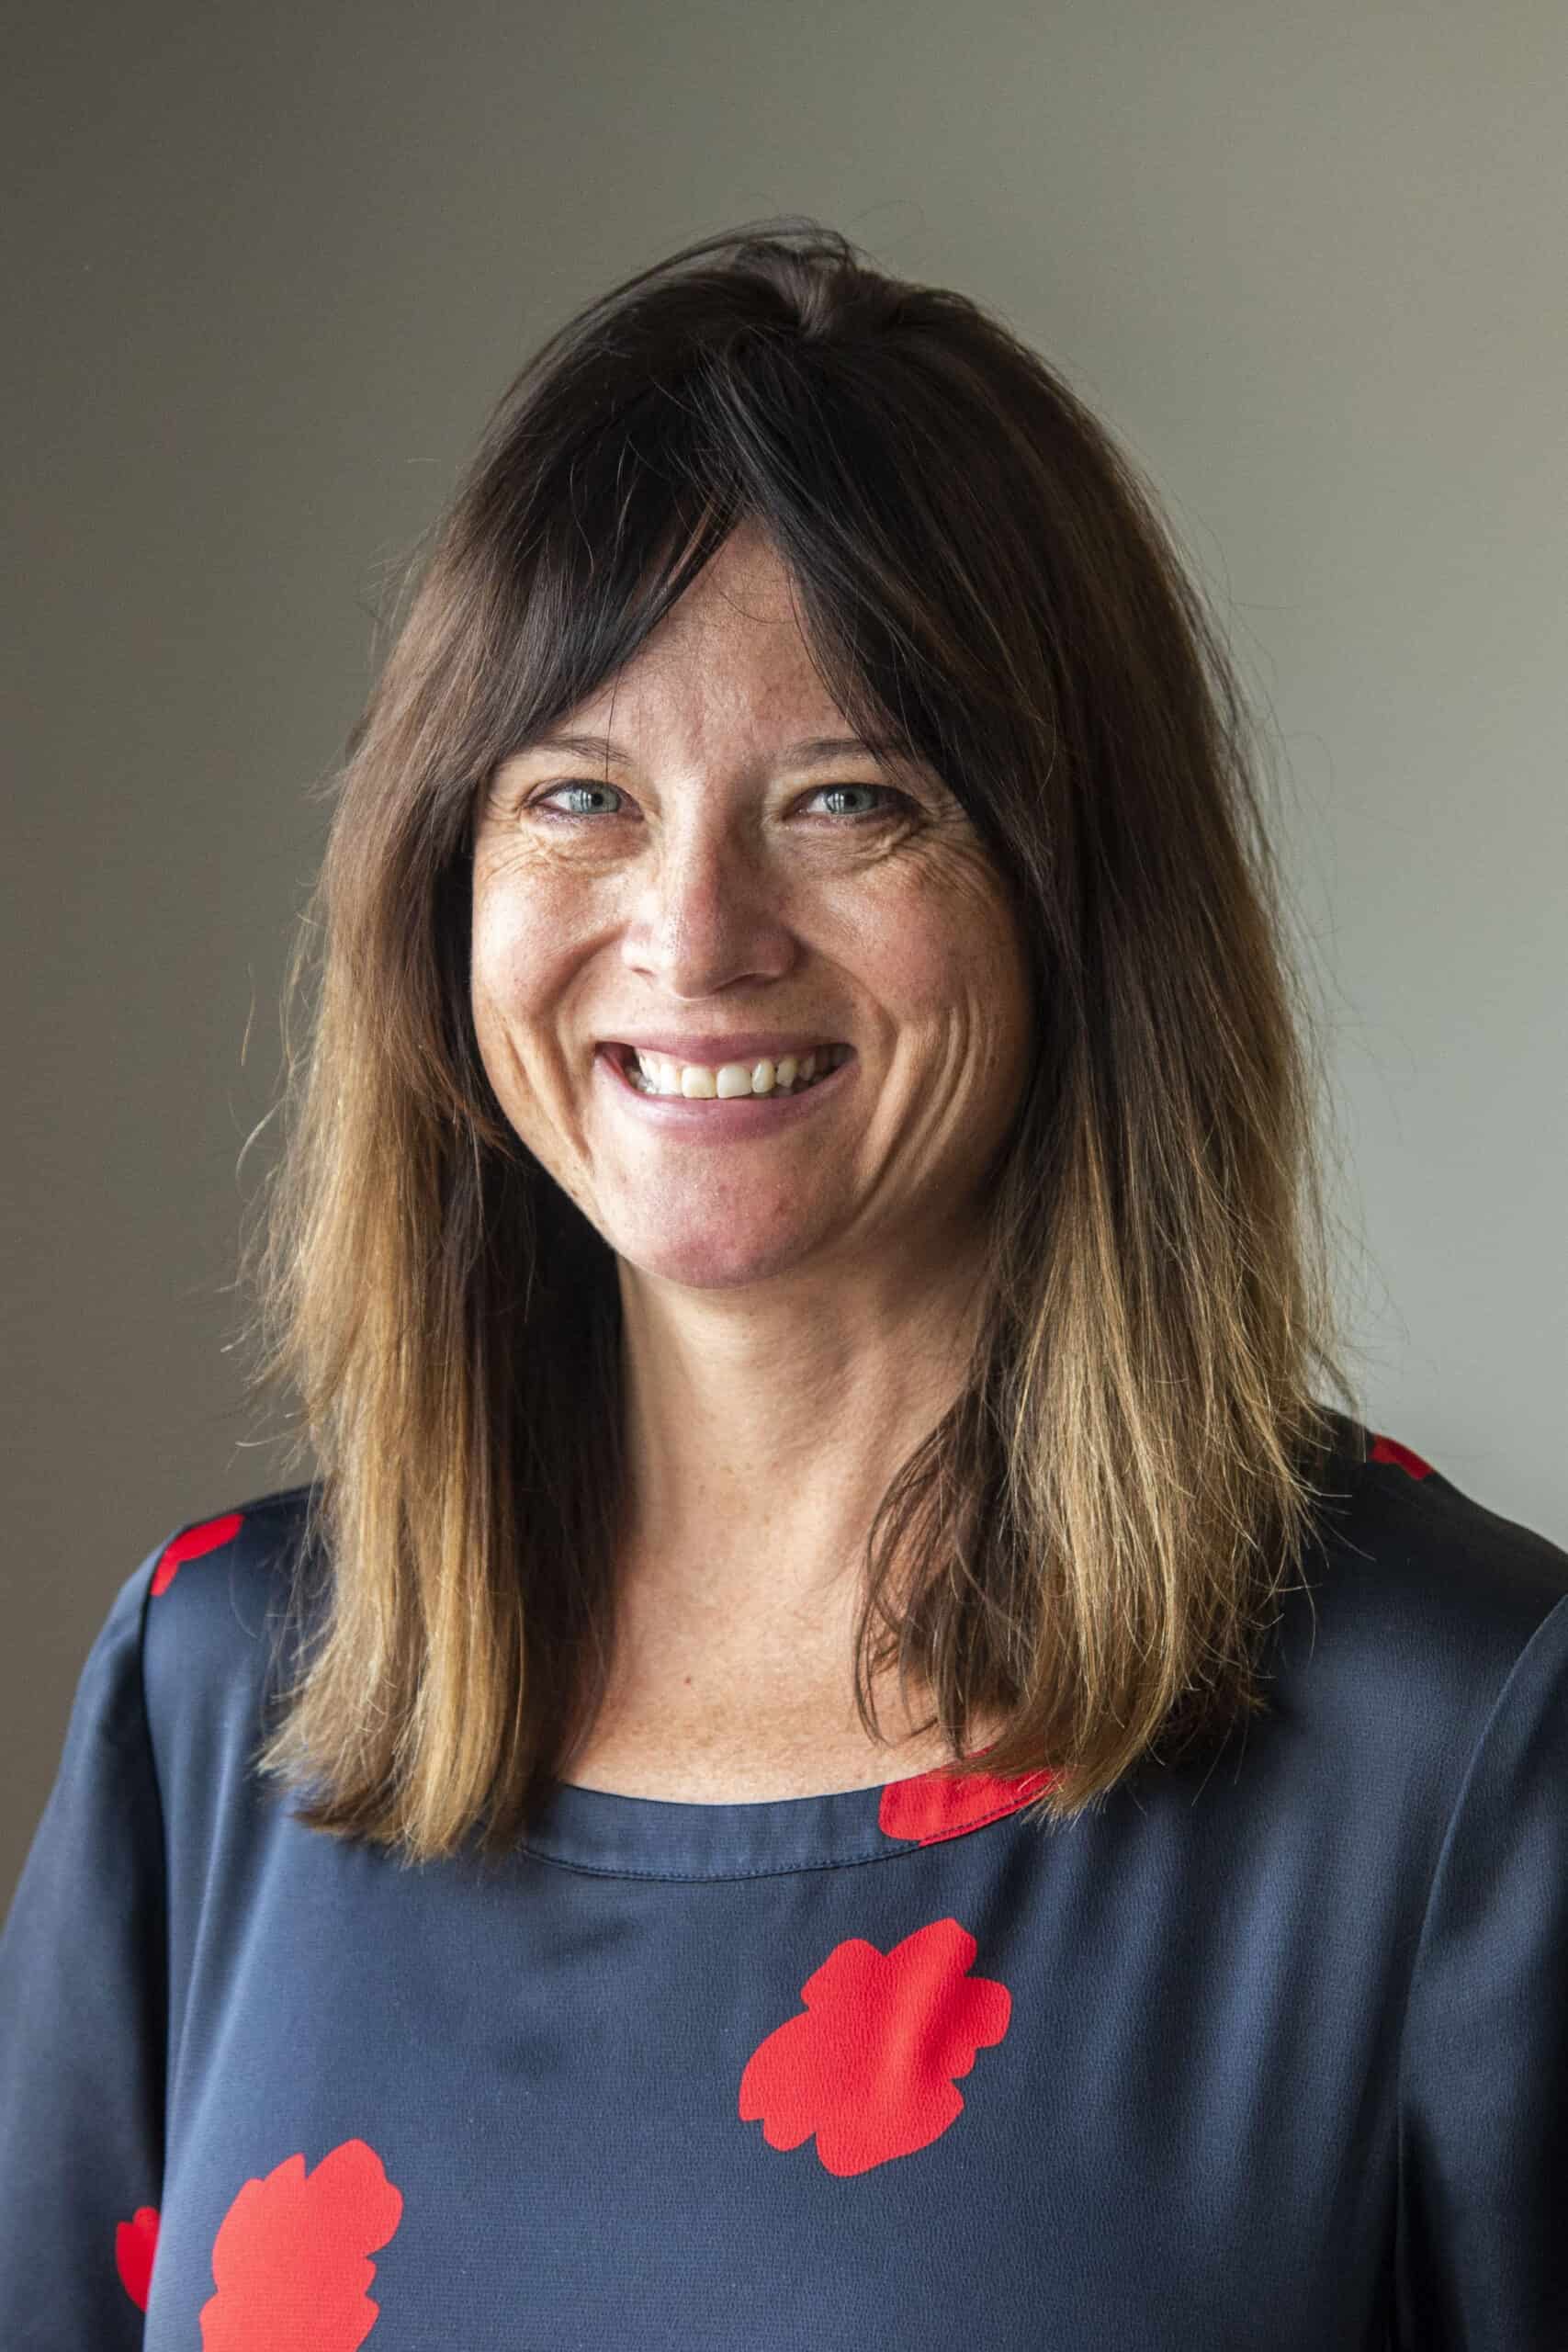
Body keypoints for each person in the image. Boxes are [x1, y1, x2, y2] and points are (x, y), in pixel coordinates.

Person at [2, 220, 1564, 2349]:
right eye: (575, 796)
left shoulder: (1469, 1738)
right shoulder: (221, 1681)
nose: (691, 930)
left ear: (1075, 902)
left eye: (846, 797)